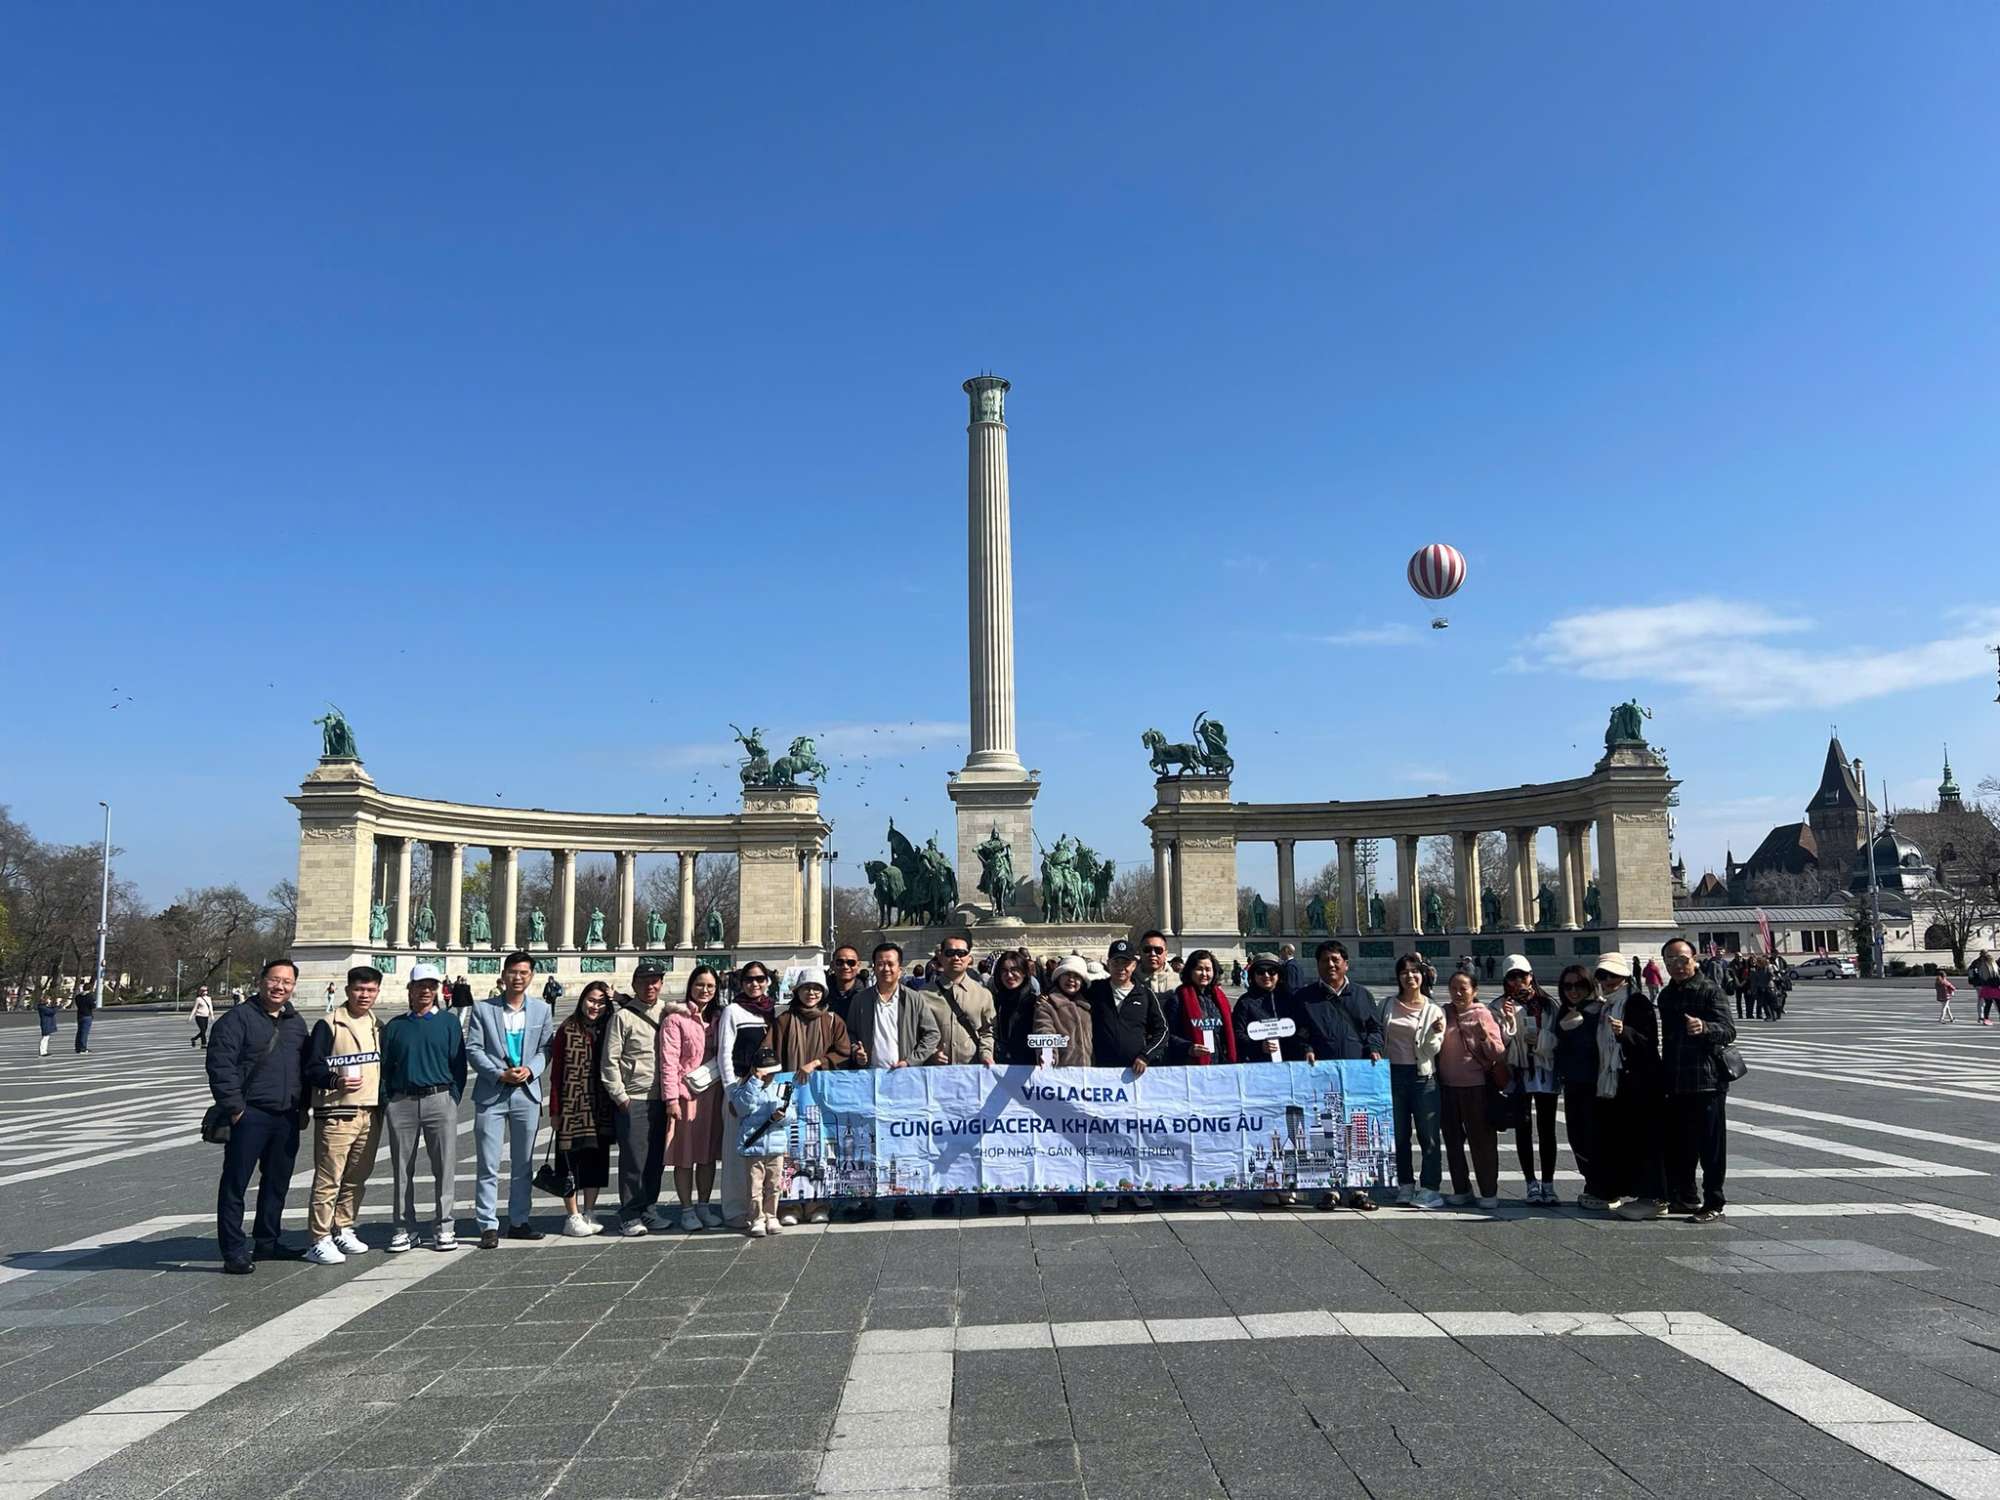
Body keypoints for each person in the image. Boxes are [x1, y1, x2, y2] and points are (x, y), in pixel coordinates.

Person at [205, 958, 313, 1273]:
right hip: (250, 1114)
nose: (280, 987)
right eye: (274, 980)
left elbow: (303, 1069)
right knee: (236, 1183)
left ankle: (267, 1241)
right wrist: (236, 1108)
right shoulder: (237, 1019)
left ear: (293, 987)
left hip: (286, 1115)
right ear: (261, 980)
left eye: (287, 982)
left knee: (276, 1182)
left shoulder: (295, 1022)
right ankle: (234, 1249)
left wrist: (303, 1106)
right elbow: (220, 1066)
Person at [464, 951, 557, 1248]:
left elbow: (547, 1049)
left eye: (524, 973)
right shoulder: (483, 1009)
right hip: (492, 1092)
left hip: (527, 1093)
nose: (518, 978)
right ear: (503, 975)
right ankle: (488, 1224)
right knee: (488, 1163)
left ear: (531, 977)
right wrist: (498, 1073)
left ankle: (519, 1220)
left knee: (523, 1163)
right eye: (513, 972)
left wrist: (531, 1070)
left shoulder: (542, 1010)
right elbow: (474, 1049)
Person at [1284, 940, 1384, 1211]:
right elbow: (1297, 1032)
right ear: (1316, 965)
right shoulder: (1304, 998)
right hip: (1320, 1075)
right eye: (1325, 960)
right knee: (1324, 1131)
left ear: (1345, 964)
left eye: (1335, 960)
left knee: (1357, 1131)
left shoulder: (1362, 995)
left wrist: (1374, 1048)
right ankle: (1330, 1189)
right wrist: (1305, 1048)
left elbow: (1375, 1028)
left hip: (1357, 1073)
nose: (1330, 964)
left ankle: (1359, 1188)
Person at [842, 943, 940, 1218]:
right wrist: (856, 1051)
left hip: (902, 1081)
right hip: (870, 1081)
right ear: (873, 966)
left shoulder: (913, 998)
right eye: (880, 963)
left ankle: (901, 1198)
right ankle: (866, 1199)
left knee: (901, 1142)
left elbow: (931, 1034)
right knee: (867, 1141)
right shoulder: (860, 1000)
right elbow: (849, 1033)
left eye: (891, 964)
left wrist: (911, 1060)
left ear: (900, 968)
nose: (886, 968)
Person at [379, 961, 467, 1252]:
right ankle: (404, 1227)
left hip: (439, 1099)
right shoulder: (395, 1026)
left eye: (431, 986)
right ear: (410, 989)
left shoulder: (449, 1022)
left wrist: (452, 1096)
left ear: (438, 989)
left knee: (445, 1167)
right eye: (420, 985)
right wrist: (389, 1098)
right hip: (402, 1101)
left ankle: (444, 1226)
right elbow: (386, 1066)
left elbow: (459, 1065)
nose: (426, 991)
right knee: (401, 1169)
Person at [303, 965, 386, 1265]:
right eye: (359, 989)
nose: (365, 995)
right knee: (329, 1179)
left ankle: (343, 1226)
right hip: (337, 1112)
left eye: (371, 990)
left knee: (357, 1177)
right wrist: (334, 1081)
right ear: (347, 990)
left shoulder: (379, 1025)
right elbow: (311, 1067)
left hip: (370, 1112)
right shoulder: (329, 1025)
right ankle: (318, 1237)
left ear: (377, 992)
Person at [1657, 938, 1736, 1222]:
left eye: (1681, 959)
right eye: (1670, 960)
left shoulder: (1709, 990)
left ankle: (1714, 1201)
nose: (1676, 966)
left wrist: (1704, 1027)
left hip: (1707, 1081)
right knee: (1681, 1144)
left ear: (1695, 959)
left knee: (1711, 1145)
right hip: (1676, 1081)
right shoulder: (1666, 996)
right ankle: (1686, 1197)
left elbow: (1728, 1031)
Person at [769, 965, 851, 1224]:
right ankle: (790, 1205)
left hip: (821, 1095)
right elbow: (769, 1052)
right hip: (790, 1094)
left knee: (820, 1150)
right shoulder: (784, 1020)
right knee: (790, 1149)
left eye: (816, 988)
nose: (811, 993)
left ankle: (818, 1202)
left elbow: (843, 1052)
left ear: (824, 992)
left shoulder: (832, 1020)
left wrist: (817, 1062)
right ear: (798, 991)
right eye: (806, 988)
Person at [1592, 955, 1666, 1222]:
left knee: (1645, 1142)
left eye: (1613, 976)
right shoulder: (1603, 1007)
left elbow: (1649, 1042)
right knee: (1626, 1142)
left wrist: (1625, 1032)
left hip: (1640, 1085)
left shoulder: (1636, 1002)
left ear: (1625, 977)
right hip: (1616, 1085)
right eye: (1602, 976)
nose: (1608, 981)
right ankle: (1634, 1192)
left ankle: (1653, 1197)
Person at [602, 960, 672, 1236]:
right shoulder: (623, 1017)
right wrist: (621, 1097)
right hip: (635, 1096)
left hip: (663, 1096)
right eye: (644, 981)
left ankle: (649, 1209)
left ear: (661, 984)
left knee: (656, 1159)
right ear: (634, 985)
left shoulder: (669, 1012)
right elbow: (610, 1061)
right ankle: (630, 1213)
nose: (650, 985)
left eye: (655, 981)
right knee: (633, 1160)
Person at [549, 981, 617, 1237]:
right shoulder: (567, 1028)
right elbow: (556, 1074)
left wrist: (618, 996)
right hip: (572, 1107)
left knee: (596, 1162)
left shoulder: (609, 1027)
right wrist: (555, 1111)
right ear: (581, 1000)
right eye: (591, 1000)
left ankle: (589, 1211)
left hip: (599, 1106)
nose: (595, 1006)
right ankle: (572, 1215)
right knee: (569, 1162)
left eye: (601, 1002)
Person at [662, 967, 726, 1231]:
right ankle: (686, 1208)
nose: (705, 990)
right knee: (684, 1155)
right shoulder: (676, 1019)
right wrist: (671, 1099)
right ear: (690, 986)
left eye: (710, 986)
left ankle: (704, 1204)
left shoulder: (721, 1017)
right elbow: (668, 1060)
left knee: (708, 1154)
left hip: (713, 1094)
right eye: (700, 985)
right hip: (686, 1094)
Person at [1381, 953, 1446, 1209]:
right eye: (1405, 972)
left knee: (1429, 1137)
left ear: (1423, 975)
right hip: (1392, 1075)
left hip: (1422, 1077)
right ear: (1398, 977)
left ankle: (1430, 1188)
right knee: (1398, 1136)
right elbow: (1377, 1036)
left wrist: (1434, 1035)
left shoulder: (1433, 1009)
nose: (1410, 976)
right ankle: (1405, 1185)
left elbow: (1432, 1050)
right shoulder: (1386, 1005)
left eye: (1415, 971)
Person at [717, 962, 779, 1228]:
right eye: (749, 980)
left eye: (760, 979)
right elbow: (724, 1053)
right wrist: (732, 1093)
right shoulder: (733, 1010)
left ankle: (762, 1209)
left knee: (763, 1153)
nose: (755, 984)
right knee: (737, 1151)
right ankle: (735, 1208)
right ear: (740, 983)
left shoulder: (770, 1011)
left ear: (768, 981)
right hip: (741, 1087)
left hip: (766, 1091)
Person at [1437, 970, 1506, 1209]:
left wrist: (1485, 1038)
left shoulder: (1483, 1014)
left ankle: (1488, 1191)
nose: (1457, 993)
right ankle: (1462, 1189)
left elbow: (1498, 1053)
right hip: (1447, 1087)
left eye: (1463, 988)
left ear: (1474, 991)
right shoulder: (1444, 1014)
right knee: (1453, 1142)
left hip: (1476, 1087)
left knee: (1482, 1142)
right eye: (1453, 988)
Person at [1497, 956, 1561, 1206]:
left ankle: (1548, 1183)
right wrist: (1509, 1022)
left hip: (1545, 1072)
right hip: (1518, 1075)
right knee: (1523, 1129)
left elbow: (1559, 1036)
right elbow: (1498, 1043)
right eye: (1512, 977)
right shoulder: (1499, 1006)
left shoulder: (1548, 1005)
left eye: (1522, 975)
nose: (1518, 981)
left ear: (1531, 976)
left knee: (1547, 1131)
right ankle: (1530, 1184)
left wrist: (1542, 1041)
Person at [1551, 964, 1609, 1208]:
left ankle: (1602, 1188)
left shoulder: (1599, 1011)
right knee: (1577, 1137)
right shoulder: (1563, 1011)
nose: (1573, 991)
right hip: (1572, 1084)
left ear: (1589, 986)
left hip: (1595, 1085)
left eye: (1579, 985)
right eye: (1567, 986)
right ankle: (1592, 1183)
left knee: (1595, 1137)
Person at [729, 1038, 791, 1238]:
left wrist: (783, 1116)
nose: (769, 1076)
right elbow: (741, 1108)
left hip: (776, 1144)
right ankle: (756, 1218)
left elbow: (793, 1114)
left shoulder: (781, 1088)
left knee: (774, 1184)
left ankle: (771, 1215)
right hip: (754, 1145)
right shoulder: (744, 1089)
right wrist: (755, 1081)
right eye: (765, 1072)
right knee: (754, 1185)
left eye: (772, 1072)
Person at [926, 938, 996, 1066]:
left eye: (962, 953)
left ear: (969, 958)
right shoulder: (922, 994)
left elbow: (987, 1031)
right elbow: (915, 1032)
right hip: (935, 1072)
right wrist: (930, 1053)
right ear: (940, 957)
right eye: (950, 953)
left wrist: (986, 1055)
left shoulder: (983, 994)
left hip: (972, 1070)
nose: (956, 957)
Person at [1031, 955, 1094, 1065]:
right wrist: (1047, 1055)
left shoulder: (1088, 1006)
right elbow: (1044, 1029)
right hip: (1060, 1073)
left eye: (1077, 976)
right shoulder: (1047, 1005)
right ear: (1058, 977)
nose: (1071, 979)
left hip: (1088, 1074)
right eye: (1067, 974)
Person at [1231, 953, 1290, 1063]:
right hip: (1257, 1063)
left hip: (1289, 1061)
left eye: (1272, 971)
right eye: (1260, 972)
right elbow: (1237, 1033)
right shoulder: (1245, 1002)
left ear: (1279, 975)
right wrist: (1259, 1046)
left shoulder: (1290, 999)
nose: (1266, 975)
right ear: (1253, 975)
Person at [988, 950, 1040, 1064]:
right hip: (1000, 1065)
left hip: (1030, 1067)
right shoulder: (994, 1001)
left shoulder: (1036, 1003)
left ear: (1024, 972)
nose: (1009, 975)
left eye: (1014, 970)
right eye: (1004, 971)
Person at [1972, 950, 2000, 1026]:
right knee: (1998, 1003)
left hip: (1986, 987)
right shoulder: (1994, 965)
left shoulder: (1981, 964)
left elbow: (1981, 975)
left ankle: (1985, 1019)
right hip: (1994, 987)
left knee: (1987, 1004)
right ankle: (1986, 1019)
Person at [72, 983, 97, 1053]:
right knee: (84, 1032)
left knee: (79, 1031)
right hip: (87, 1015)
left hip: (80, 1015)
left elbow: (78, 1004)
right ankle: (83, 1048)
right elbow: (93, 1006)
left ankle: (77, 1047)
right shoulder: (89, 996)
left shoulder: (78, 996)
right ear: (90, 989)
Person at [35, 992, 61, 1057]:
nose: (49, 1000)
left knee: (46, 1037)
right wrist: (56, 1007)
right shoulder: (42, 1007)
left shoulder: (44, 1006)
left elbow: (51, 1009)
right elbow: (51, 1012)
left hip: (47, 1023)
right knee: (45, 1037)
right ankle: (42, 1052)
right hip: (45, 1023)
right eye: (48, 999)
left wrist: (55, 1006)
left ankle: (44, 1051)